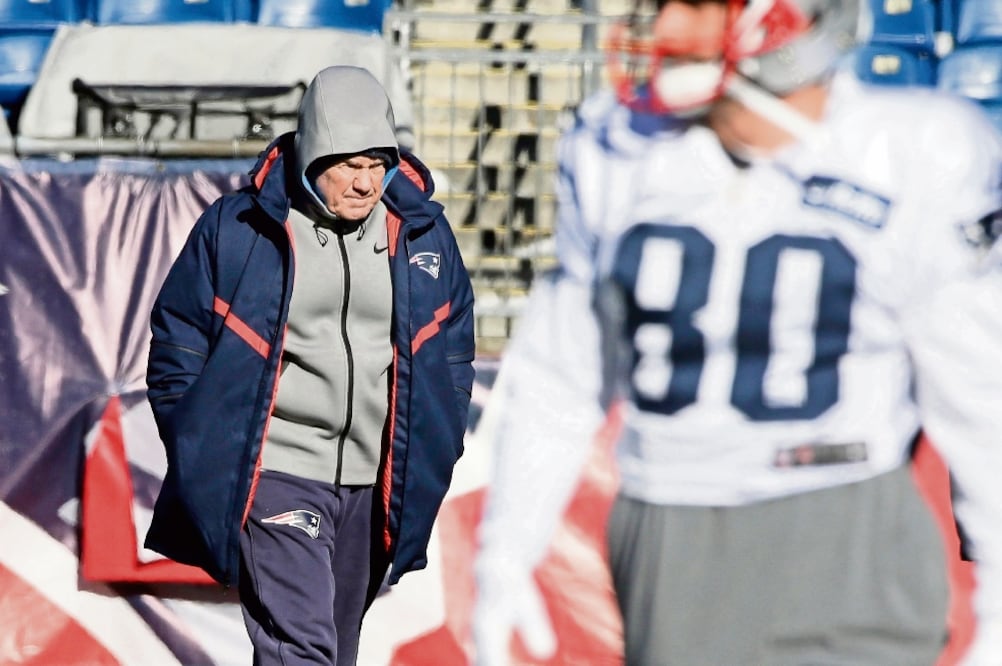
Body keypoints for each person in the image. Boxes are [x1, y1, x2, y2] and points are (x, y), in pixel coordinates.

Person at [471, 0, 1002, 664]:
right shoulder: (616, 144)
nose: (660, 27)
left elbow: (978, 393)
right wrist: (507, 549)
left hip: (850, 517)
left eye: (688, 5)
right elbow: (563, 375)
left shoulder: (910, 148)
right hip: (675, 522)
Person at [143, 65, 475, 666]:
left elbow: (452, 345)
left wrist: (443, 433)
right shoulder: (239, 228)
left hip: (377, 481)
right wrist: (200, 440)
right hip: (276, 469)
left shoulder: (423, 234)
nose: (366, 182)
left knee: (334, 651)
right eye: (350, 164)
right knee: (303, 649)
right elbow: (179, 340)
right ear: (314, 154)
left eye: (379, 165)